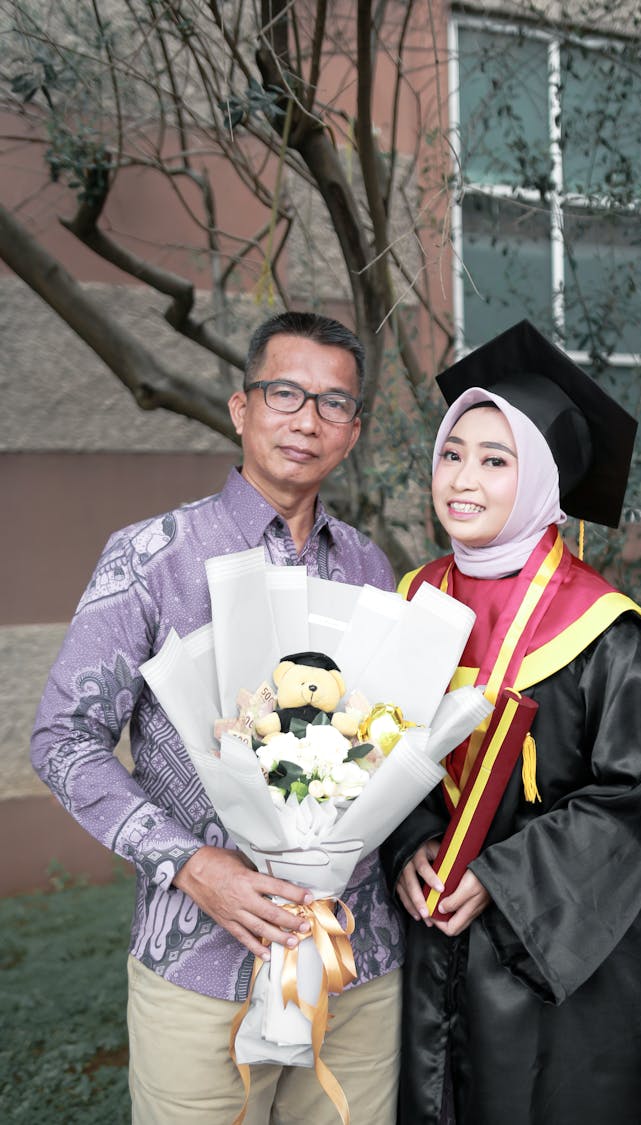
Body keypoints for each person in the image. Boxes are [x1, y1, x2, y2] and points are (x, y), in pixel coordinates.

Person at [31, 311, 404, 1125]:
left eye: (332, 403)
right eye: (285, 393)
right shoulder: (153, 557)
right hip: (200, 964)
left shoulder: (372, 568)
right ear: (241, 408)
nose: (307, 419)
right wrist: (194, 864)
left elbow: (390, 737)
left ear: (354, 430)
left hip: (356, 964)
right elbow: (62, 738)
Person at [380, 320, 641, 1125]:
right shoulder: (413, 601)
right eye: (453, 453)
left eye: (497, 461)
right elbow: (376, 748)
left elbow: (640, 800)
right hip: (437, 940)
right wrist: (411, 840)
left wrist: (504, 876)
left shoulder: (608, 633)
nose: (463, 478)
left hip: (565, 963)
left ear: (542, 485)